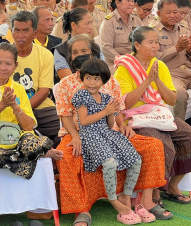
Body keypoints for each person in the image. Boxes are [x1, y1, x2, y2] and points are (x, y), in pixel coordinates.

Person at [55, 35, 170, 225]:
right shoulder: (66, 84)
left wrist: (124, 126)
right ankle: (82, 210)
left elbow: (118, 110)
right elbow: (66, 116)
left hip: (110, 132)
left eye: (84, 51)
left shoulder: (109, 81)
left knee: (152, 146)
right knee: (67, 157)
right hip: (75, 133)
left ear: (93, 53)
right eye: (75, 52)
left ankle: (146, 201)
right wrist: (75, 137)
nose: (79, 55)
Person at [114, 26, 191, 205]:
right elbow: (125, 104)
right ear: (138, 45)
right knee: (164, 146)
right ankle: (154, 190)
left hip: (159, 114)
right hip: (136, 118)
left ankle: (172, 186)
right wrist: (147, 81)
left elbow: (171, 99)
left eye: (157, 42)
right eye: (151, 42)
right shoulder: (124, 68)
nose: (156, 46)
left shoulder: (160, 65)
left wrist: (156, 80)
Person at [0, 42, 62, 180]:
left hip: (19, 141)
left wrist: (15, 106)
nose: (3, 68)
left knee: (37, 143)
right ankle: (35, 155)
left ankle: (30, 154)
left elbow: (28, 126)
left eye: (8, 64)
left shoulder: (18, 88)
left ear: (15, 66)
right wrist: (2, 105)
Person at [72, 58, 144, 224]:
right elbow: (83, 121)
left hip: (106, 133)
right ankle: (113, 200)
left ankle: (126, 194)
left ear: (103, 81)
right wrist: (106, 111)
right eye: (88, 78)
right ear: (82, 78)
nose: (92, 82)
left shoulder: (106, 97)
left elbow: (110, 124)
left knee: (135, 159)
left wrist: (112, 111)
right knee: (110, 162)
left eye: (96, 79)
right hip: (89, 135)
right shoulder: (81, 95)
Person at [0, 11, 61, 146]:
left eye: (26, 30)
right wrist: (12, 111)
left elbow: (44, 90)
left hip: (39, 107)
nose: (20, 35)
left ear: (35, 33)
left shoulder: (45, 55)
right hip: (5, 109)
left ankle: (52, 162)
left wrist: (22, 111)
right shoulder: (0, 55)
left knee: (63, 129)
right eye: (17, 30)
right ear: (11, 31)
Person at [152, 0, 191, 121]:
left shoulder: (183, 28)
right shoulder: (152, 32)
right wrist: (175, 48)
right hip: (171, 73)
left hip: (189, 72)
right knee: (179, 94)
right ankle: (180, 129)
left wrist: (190, 50)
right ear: (158, 14)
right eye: (168, 12)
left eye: (175, 12)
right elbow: (153, 59)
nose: (173, 15)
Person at [99, 0, 142, 73]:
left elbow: (143, 41)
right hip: (115, 63)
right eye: (128, 1)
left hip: (135, 61)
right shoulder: (109, 21)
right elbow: (106, 47)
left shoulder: (136, 20)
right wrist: (123, 61)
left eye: (133, 1)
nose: (131, 4)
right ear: (118, 3)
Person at [54, 7, 101, 80]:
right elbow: (67, 80)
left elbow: (103, 74)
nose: (91, 27)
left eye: (91, 23)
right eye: (87, 23)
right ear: (73, 25)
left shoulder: (95, 47)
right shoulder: (61, 50)